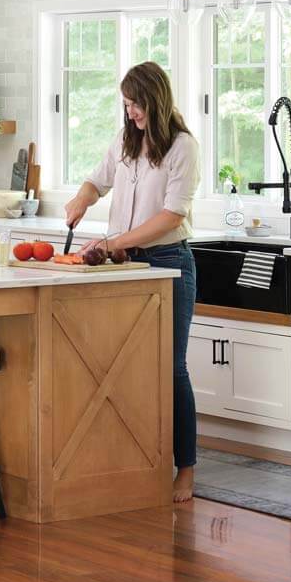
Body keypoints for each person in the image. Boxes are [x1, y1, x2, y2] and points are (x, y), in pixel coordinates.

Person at [63, 61, 200, 502]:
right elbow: (98, 179)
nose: (131, 113)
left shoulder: (182, 147)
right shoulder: (125, 140)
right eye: (126, 105)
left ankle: (187, 469)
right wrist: (81, 199)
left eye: (136, 104)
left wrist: (115, 240)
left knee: (170, 366)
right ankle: (139, 462)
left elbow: (171, 216)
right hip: (123, 264)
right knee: (125, 368)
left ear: (155, 100)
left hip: (167, 262)